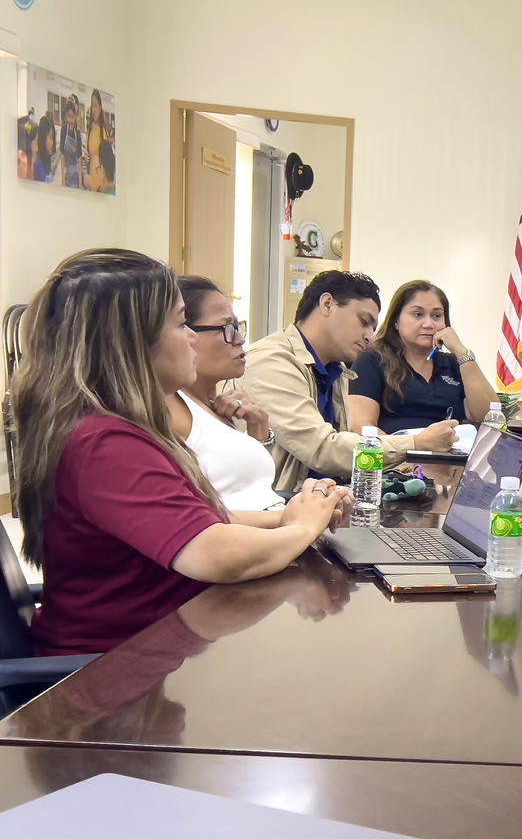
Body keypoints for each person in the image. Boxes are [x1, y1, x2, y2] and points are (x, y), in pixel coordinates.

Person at [12, 249, 353, 657]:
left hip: (154, 650)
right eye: (179, 323)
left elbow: (200, 520)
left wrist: (290, 513)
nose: (192, 336)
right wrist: (302, 529)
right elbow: (217, 555)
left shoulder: (121, 427)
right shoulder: (105, 444)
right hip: (106, 678)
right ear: (132, 343)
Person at [241, 271, 457, 489]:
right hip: (275, 508)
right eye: (364, 322)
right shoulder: (271, 361)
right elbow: (322, 450)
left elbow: (349, 450)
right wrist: (416, 444)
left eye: (372, 328)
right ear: (327, 304)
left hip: (324, 499)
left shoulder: (337, 371)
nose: (370, 336)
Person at [164, 276, 280, 510]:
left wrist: (259, 428)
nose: (239, 339)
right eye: (226, 328)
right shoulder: (171, 407)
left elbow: (248, 488)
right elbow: (207, 515)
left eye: (237, 327)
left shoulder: (212, 405)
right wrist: (300, 520)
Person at [348, 280, 495, 434]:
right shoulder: (372, 360)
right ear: (396, 321)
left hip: (453, 455)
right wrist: (414, 445)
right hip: (395, 455)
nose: (429, 324)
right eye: (417, 314)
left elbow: (489, 418)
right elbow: (361, 427)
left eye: (437, 316)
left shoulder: (454, 364)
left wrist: (462, 352)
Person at [60, 97, 83, 189]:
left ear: (76, 118)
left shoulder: (77, 133)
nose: (69, 120)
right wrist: (62, 179)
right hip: (66, 173)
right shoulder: (64, 129)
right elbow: (62, 155)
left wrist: (80, 181)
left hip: (76, 174)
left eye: (72, 116)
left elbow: (79, 158)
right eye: (68, 116)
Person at [31, 114, 56, 184]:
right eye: (50, 138)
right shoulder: (39, 162)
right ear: (43, 138)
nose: (52, 143)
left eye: (53, 138)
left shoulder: (46, 160)